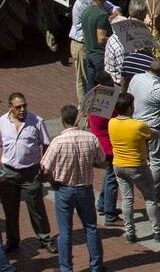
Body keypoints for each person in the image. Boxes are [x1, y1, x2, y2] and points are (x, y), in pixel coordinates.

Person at [39, 103, 106, 272]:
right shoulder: (91, 138)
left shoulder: (58, 142)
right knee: (91, 227)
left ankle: (66, 268)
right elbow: (101, 162)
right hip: (85, 188)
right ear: (77, 118)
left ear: (63, 121)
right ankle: (96, 266)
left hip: (64, 190)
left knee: (65, 231)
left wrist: (53, 182)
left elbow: (44, 169)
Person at [106, 91, 160, 244]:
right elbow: (155, 135)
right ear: (130, 108)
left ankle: (130, 232)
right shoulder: (138, 125)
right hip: (137, 165)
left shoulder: (111, 123)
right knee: (150, 198)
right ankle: (157, 230)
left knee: (127, 199)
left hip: (118, 165)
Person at [0, 91, 52, 253]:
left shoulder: (36, 121)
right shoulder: (1, 122)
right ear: (10, 107)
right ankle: (13, 240)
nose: (22, 109)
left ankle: (45, 238)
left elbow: (46, 144)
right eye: (18, 107)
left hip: (31, 172)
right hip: (9, 173)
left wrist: (44, 164)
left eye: (24, 105)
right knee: (10, 209)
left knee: (37, 207)